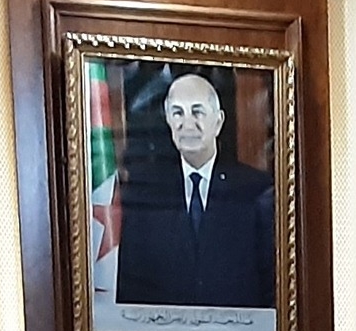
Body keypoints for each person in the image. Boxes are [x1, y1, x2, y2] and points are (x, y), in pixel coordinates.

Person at [114, 71, 276, 309]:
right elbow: (131, 286)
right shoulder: (146, 192)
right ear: (169, 121)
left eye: (197, 112)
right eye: (178, 113)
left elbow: (273, 286)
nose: (187, 124)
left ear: (218, 122)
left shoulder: (255, 190)